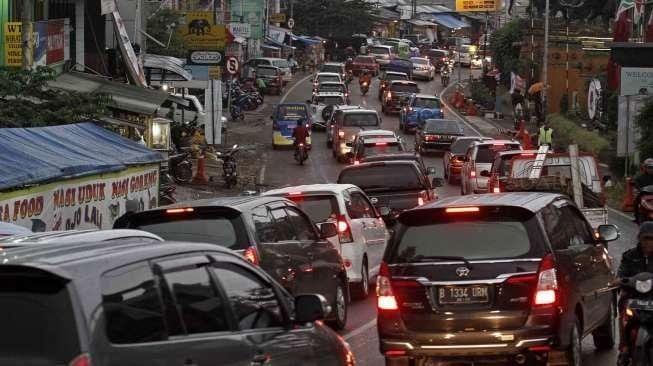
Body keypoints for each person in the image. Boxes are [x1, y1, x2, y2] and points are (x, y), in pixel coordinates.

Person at [616, 221, 653, 366]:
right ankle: (624, 346)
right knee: (623, 307)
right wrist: (618, 281)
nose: (649, 242)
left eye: (652, 238)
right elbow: (621, 272)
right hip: (634, 295)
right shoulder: (630, 255)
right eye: (646, 238)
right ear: (639, 238)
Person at [633, 158, 653, 223]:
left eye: (652, 167)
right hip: (644, 195)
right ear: (645, 168)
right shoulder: (640, 178)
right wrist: (639, 189)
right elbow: (637, 185)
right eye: (649, 167)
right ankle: (636, 217)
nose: (651, 169)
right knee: (636, 200)